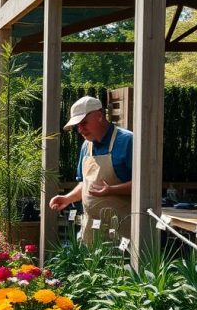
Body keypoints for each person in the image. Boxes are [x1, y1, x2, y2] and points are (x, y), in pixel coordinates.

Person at [48, 96, 133, 243]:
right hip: (91, 230)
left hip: (121, 230)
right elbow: (85, 184)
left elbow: (144, 186)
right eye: (77, 126)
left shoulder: (128, 141)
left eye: (84, 123)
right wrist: (68, 198)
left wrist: (112, 190)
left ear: (99, 115)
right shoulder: (86, 146)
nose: (80, 130)